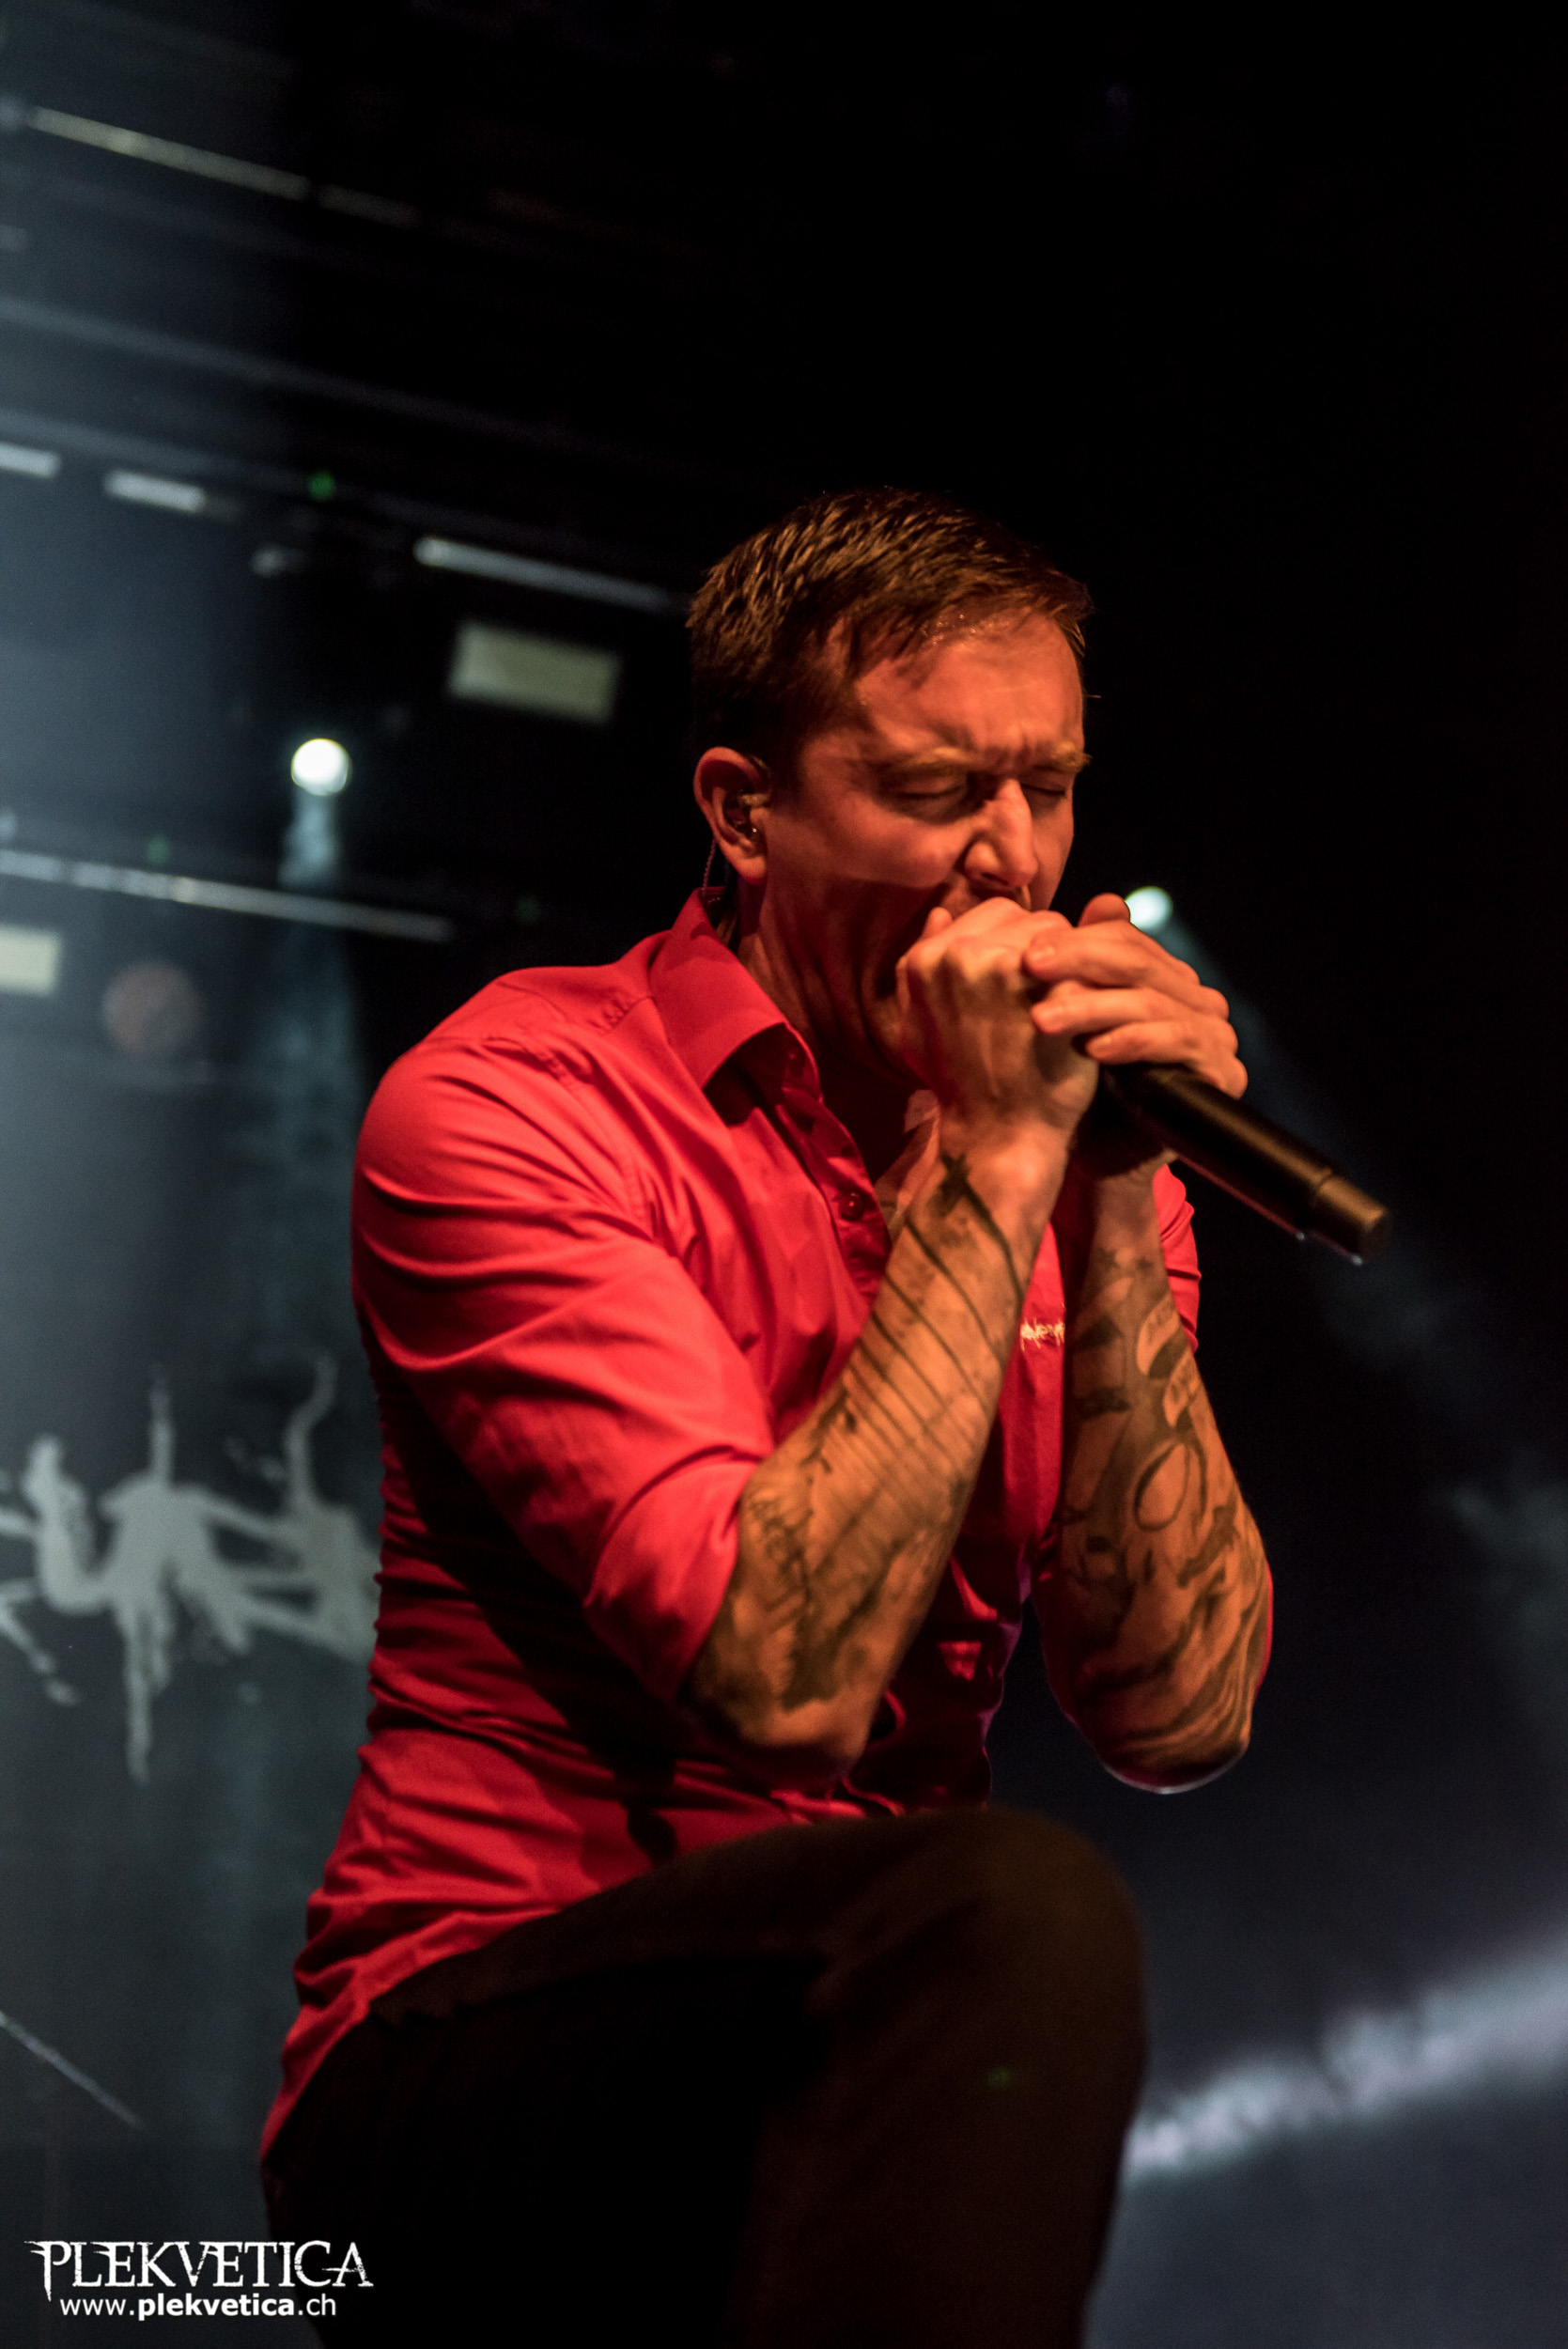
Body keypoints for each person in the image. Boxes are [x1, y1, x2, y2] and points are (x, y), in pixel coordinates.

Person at [260, 487, 1272, 2346]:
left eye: (1048, 787)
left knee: (1004, 1929)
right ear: (742, 810)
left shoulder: (1059, 1153)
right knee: (1010, 1913)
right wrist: (997, 1160)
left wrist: (1120, 1190)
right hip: (471, 2044)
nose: (1009, 860)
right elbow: (781, 1675)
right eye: (936, 790)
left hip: (847, 2017)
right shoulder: (513, 1103)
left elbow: (1178, 1713)